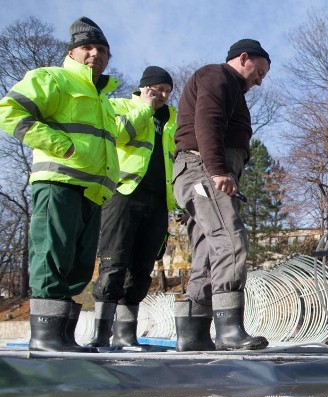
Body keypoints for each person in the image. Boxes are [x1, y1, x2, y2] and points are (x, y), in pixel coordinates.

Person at [0, 17, 156, 353]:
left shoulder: (101, 99)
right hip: (59, 181)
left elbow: (113, 138)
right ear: (72, 52)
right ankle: (44, 339)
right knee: (54, 256)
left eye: (102, 50)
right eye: (87, 47)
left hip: (94, 190)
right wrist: (63, 146)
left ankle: (62, 336)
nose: (95, 54)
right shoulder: (52, 79)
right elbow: (9, 110)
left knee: (79, 264)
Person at [171, 39, 271, 352]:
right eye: (260, 71)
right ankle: (229, 331)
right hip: (205, 170)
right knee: (231, 241)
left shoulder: (225, 84)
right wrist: (217, 170)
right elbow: (208, 121)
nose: (260, 80)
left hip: (199, 173)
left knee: (206, 254)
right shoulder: (218, 76)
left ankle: (192, 334)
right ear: (244, 58)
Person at [87, 66, 177, 349]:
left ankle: (126, 334)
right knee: (114, 263)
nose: (163, 95)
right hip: (124, 193)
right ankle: (101, 333)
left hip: (159, 201)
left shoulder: (173, 118)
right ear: (145, 87)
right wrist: (145, 108)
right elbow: (117, 135)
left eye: (167, 91)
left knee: (141, 268)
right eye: (158, 89)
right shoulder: (119, 105)